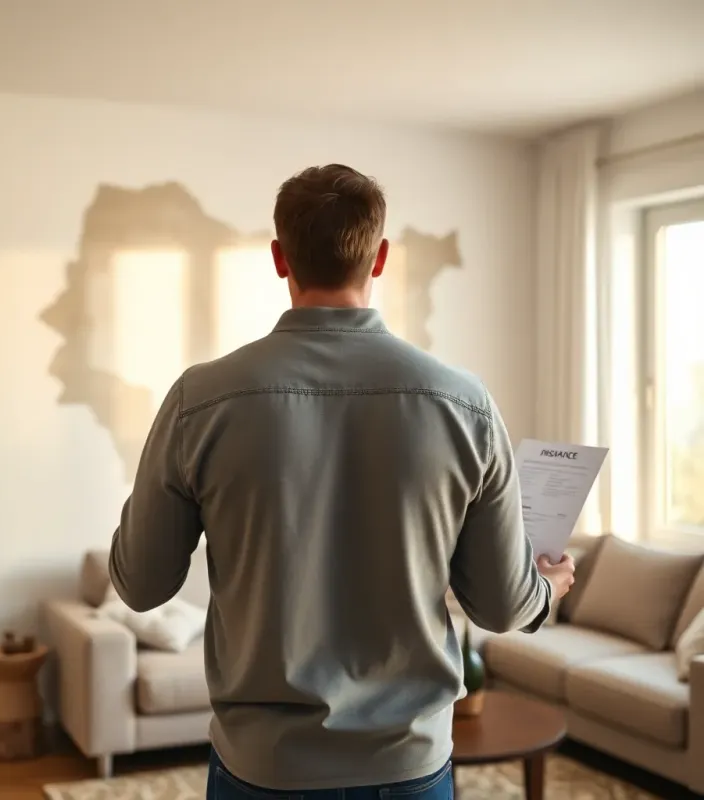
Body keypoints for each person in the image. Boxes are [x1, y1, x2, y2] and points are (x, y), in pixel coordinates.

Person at [109, 164, 576, 800]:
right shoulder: (465, 403)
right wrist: (545, 588)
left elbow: (139, 584)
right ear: (379, 257)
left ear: (279, 257)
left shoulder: (201, 400)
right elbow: (499, 605)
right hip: (409, 771)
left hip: (263, 771)